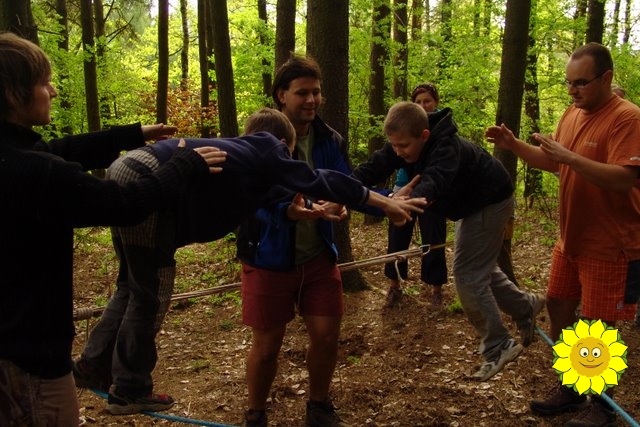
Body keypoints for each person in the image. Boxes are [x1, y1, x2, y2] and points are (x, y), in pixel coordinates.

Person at [73, 107, 426, 416]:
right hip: (145, 176)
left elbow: (293, 197)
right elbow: (322, 180)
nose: (289, 162)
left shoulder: (245, 168)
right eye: (289, 154)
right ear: (283, 144)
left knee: (130, 287)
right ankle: (130, 387)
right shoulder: (266, 147)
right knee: (152, 291)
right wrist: (384, 204)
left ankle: (93, 365)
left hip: (129, 169)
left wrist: (358, 203)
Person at [0, 31, 225, 427]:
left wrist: (131, 135)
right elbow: (124, 204)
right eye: (43, 82)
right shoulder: (35, 174)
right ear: (12, 94)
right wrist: (184, 166)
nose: (52, 91)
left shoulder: (16, 159)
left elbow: (57, 151)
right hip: (29, 362)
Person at [486, 42, 640, 427]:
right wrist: (513, 144)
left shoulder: (627, 118)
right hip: (570, 239)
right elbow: (554, 162)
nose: (572, 90)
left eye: (581, 83)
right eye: (568, 83)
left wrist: (569, 157)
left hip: (610, 243)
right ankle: (572, 387)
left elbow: (624, 178)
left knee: (597, 326)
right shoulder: (573, 112)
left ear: (606, 78)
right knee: (558, 306)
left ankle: (602, 406)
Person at [352, 101, 545, 383]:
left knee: (468, 275)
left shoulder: (445, 148)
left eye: (403, 146)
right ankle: (524, 306)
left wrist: (402, 202)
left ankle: (498, 345)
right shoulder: (404, 142)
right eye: (393, 145)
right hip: (471, 206)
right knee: (479, 268)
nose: (398, 151)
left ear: (424, 135)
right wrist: (339, 189)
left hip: (491, 200)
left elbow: (433, 182)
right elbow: (372, 168)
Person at [237, 55, 370, 427]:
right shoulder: (260, 138)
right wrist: (287, 212)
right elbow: (248, 200)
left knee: (327, 336)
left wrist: (343, 203)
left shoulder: (329, 139)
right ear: (282, 95)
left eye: (316, 92)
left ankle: (318, 407)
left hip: (318, 256)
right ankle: (256, 414)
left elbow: (345, 183)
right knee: (267, 347)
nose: (312, 100)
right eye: (302, 93)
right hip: (268, 257)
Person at [384, 82, 449, 309]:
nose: (423, 105)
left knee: (434, 239)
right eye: (418, 102)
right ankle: (394, 285)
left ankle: (436, 289)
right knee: (397, 237)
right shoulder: (403, 128)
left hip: (432, 195)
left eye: (427, 101)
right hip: (404, 189)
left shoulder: (442, 133)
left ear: (436, 102)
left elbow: (441, 171)